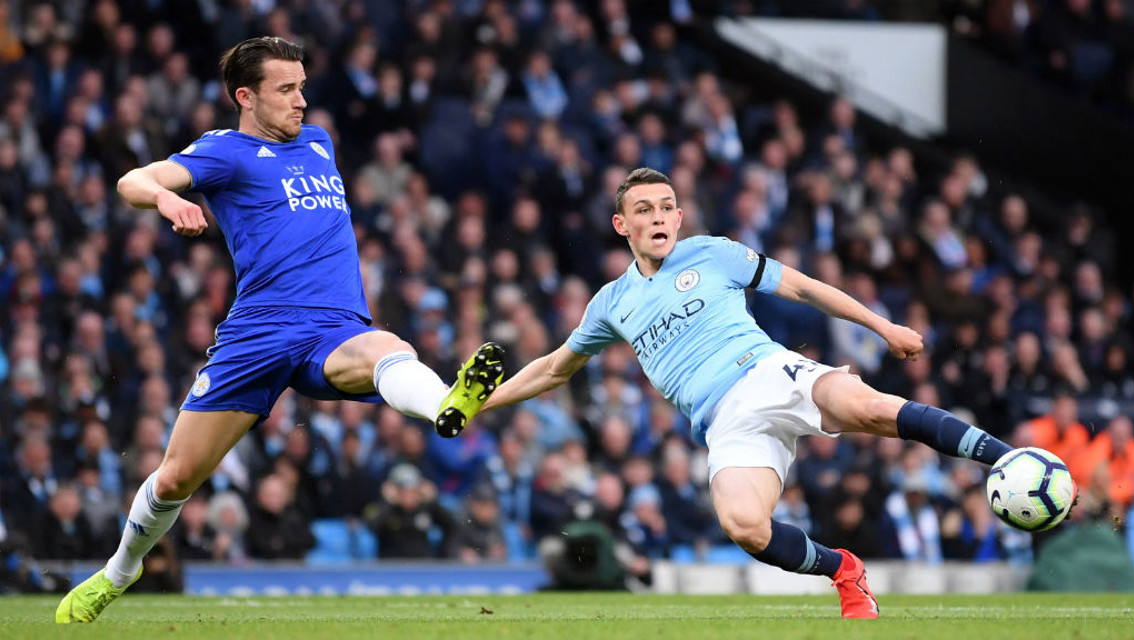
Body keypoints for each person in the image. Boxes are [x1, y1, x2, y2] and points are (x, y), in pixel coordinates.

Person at [55, 36, 504, 624]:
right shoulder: (225, 152)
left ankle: (446, 403)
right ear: (246, 96)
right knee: (175, 479)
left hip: (332, 328)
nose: (301, 102)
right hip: (258, 333)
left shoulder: (319, 144)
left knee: (389, 348)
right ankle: (119, 571)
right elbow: (132, 180)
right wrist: (167, 202)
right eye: (286, 90)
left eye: (303, 88)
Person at [479, 167, 1020, 619]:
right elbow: (552, 370)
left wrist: (885, 327)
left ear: (679, 217)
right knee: (744, 526)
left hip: (767, 371)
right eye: (644, 210)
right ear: (622, 225)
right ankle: (844, 570)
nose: (659, 217)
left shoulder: (712, 254)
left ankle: (1010, 459)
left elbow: (803, 286)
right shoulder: (610, 303)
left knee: (872, 409)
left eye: (667, 207)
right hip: (723, 422)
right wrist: (480, 401)